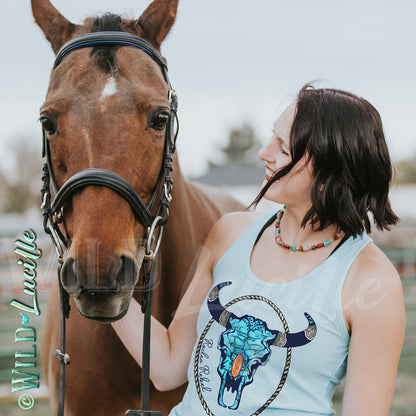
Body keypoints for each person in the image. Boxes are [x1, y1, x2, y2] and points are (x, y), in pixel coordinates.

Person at [112, 85, 405, 415]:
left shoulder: (372, 280)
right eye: (271, 138)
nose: (263, 153)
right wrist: (106, 287)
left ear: (329, 171)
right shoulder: (230, 233)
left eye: (282, 148)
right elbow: (167, 369)